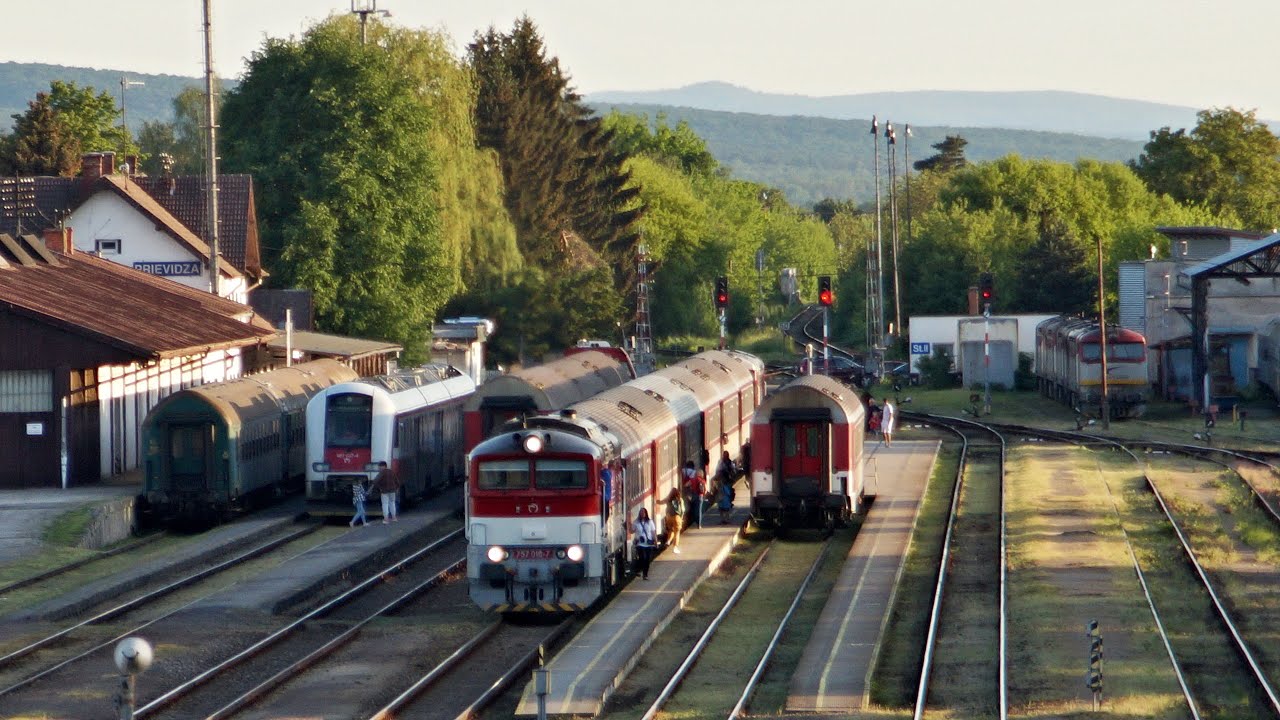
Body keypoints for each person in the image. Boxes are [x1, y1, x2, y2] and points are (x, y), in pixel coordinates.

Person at [632, 507, 658, 579]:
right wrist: (626, 526)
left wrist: (655, 542)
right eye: (641, 512)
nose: (642, 514)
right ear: (639, 514)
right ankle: (639, 570)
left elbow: (653, 532)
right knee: (642, 558)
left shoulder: (650, 522)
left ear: (646, 513)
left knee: (647, 560)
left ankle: (645, 574)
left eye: (643, 512)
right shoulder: (636, 522)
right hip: (640, 544)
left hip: (649, 543)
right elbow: (632, 531)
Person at [682, 460, 705, 527]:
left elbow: (686, 485)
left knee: (693, 509)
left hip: (693, 495)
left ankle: (693, 520)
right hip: (700, 496)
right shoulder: (702, 480)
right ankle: (699, 524)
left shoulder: (693, 479)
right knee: (699, 510)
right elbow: (704, 490)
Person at [663, 485, 685, 553]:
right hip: (677, 517)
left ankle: (668, 541)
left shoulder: (668, 499)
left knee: (671, 530)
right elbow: (683, 509)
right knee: (677, 533)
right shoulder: (680, 499)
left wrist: (656, 501)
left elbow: (660, 502)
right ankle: (675, 547)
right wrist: (681, 517)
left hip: (668, 517)